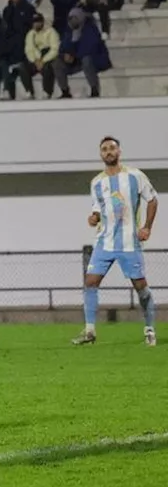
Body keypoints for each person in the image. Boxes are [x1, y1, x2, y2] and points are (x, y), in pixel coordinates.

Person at [73, 137, 157, 348]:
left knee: (141, 287)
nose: (109, 151)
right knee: (90, 282)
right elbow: (97, 211)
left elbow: (153, 199)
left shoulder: (135, 176)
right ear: (101, 154)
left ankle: (149, 330)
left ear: (119, 151)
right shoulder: (97, 183)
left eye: (112, 147)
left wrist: (147, 227)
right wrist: (93, 219)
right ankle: (90, 331)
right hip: (104, 242)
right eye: (104, 149)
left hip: (130, 242)